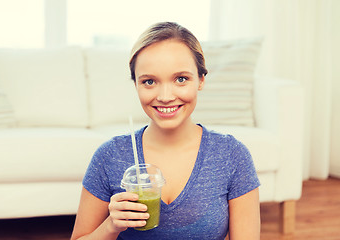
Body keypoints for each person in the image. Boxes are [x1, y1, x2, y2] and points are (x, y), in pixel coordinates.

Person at [70, 22, 260, 240]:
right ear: (136, 85)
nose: (165, 96)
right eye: (149, 81)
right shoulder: (110, 156)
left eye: (181, 79)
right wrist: (111, 226)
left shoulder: (232, 155)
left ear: (201, 80)